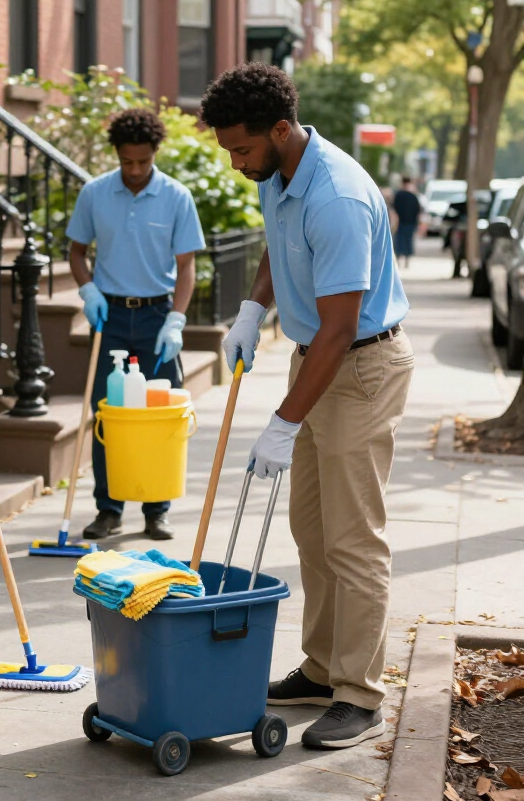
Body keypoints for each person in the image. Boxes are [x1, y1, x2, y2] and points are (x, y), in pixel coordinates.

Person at [200, 63, 414, 751]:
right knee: (312, 531)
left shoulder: (338, 197)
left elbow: (340, 327)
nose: (235, 163)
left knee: (354, 541)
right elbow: (280, 243)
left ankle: (360, 694)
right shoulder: (279, 175)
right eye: (228, 150)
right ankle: (323, 669)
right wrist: (251, 306)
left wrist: (284, 421)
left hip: (360, 367)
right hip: (318, 359)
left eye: (242, 149)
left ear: (282, 130)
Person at [67, 108, 205, 542]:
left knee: (158, 416)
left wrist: (176, 320)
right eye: (127, 161)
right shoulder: (95, 193)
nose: (135, 170)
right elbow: (75, 251)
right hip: (109, 314)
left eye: (143, 161)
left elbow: (187, 267)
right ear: (117, 155)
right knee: (109, 414)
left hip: (156, 316)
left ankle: (156, 510)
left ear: (154, 154)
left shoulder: (176, 196)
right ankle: (108, 510)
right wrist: (88, 291)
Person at [392, 177, 421, 268]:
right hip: (410, 222)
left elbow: (394, 208)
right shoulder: (413, 196)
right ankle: (407, 259)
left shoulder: (398, 195)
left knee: (399, 240)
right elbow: (417, 210)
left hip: (400, 221)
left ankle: (399, 259)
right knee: (408, 240)